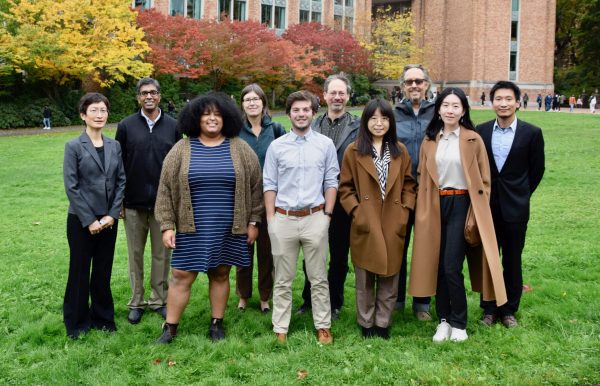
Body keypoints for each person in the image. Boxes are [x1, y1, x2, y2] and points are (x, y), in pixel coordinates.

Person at [154, 92, 263, 343]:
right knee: (181, 275)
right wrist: (167, 225)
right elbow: (165, 190)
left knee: (221, 273)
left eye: (218, 114)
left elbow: (256, 188)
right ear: (195, 118)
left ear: (226, 118)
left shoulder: (240, 148)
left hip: (228, 227)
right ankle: (170, 327)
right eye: (206, 114)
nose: (212, 118)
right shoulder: (181, 149)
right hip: (189, 228)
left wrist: (253, 222)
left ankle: (217, 324)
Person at [409, 87, 507, 342]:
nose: (450, 110)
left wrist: (476, 210)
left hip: (463, 204)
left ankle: (459, 322)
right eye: (445, 105)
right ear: (438, 109)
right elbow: (422, 176)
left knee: (452, 266)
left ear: (463, 110)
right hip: (434, 205)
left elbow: (485, 181)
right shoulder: (430, 140)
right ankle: (443, 320)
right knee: (438, 266)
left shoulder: (473, 139)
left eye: (455, 106)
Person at [263, 90, 339, 345]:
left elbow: (331, 181)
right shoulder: (277, 146)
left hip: (315, 217)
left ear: (313, 112)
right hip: (283, 219)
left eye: (306, 109)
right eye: (296, 110)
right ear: (289, 114)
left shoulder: (324, 145)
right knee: (283, 278)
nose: (301, 114)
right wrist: (272, 220)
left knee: (318, 277)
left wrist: (327, 215)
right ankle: (280, 326)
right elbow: (269, 184)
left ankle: (323, 325)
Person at [338, 99, 416, 339]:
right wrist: (357, 212)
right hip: (366, 220)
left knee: (390, 276)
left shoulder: (400, 151)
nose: (379, 123)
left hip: (393, 220)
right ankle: (366, 322)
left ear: (391, 122)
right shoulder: (354, 150)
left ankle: (382, 322)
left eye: (384, 118)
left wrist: (404, 212)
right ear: (366, 121)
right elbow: (346, 188)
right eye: (373, 118)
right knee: (364, 277)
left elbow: (410, 185)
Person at [477, 81, 545, 328]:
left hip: (516, 207)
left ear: (517, 102)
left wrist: (522, 194)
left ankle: (508, 310)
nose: (503, 104)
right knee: (489, 259)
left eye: (508, 99)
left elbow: (537, 170)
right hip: (487, 207)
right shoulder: (481, 131)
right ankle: (489, 308)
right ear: (491, 102)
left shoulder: (532, 133)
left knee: (512, 260)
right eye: (498, 99)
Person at [116, 78, 181, 325]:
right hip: (132, 203)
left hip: (163, 205)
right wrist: (119, 200)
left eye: (153, 92)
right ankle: (136, 302)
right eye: (144, 93)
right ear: (138, 98)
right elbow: (118, 165)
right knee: (135, 255)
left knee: (161, 255)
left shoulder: (173, 126)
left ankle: (158, 300)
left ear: (160, 96)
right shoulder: (126, 126)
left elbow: (178, 166)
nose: (149, 97)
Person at [62, 93, 126, 339]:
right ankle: (77, 321)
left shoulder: (114, 145)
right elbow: (72, 186)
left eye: (103, 110)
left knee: (102, 271)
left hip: (109, 220)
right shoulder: (73, 146)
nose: (99, 115)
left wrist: (111, 215)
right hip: (81, 220)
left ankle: (102, 318)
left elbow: (121, 181)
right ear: (83, 115)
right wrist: (89, 220)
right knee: (79, 271)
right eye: (94, 111)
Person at [298, 74, 360, 320]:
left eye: (341, 93)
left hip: (344, 199)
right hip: (314, 199)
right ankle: (309, 299)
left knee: (338, 254)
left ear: (347, 96)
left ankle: (334, 301)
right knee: (311, 253)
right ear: (323, 96)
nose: (337, 97)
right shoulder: (312, 125)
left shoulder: (357, 127)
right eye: (332, 93)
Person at [235, 84, 286, 313]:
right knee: (243, 249)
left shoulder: (275, 129)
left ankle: (265, 296)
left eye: (256, 99)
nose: (252, 103)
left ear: (263, 103)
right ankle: (243, 296)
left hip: (270, 200)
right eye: (248, 99)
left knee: (267, 251)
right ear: (243, 104)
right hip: (241, 199)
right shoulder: (235, 131)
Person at [393, 64, 435, 320]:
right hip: (400, 192)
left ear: (427, 84)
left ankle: (422, 303)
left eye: (419, 81)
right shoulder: (394, 113)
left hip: (431, 192)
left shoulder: (438, 113)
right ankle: (395, 300)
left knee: (425, 248)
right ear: (403, 87)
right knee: (398, 245)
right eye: (409, 82)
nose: (414, 86)